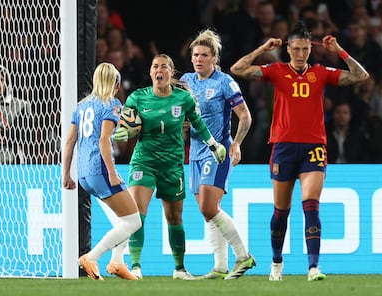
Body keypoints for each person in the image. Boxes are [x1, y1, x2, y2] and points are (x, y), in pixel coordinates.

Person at [230, 21, 369, 281]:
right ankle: (276, 264)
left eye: (306, 49)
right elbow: (237, 69)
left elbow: (361, 76)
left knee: (311, 205)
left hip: (314, 146)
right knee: (281, 210)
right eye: (296, 49)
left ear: (310, 49)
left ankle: (313, 267)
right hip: (283, 146)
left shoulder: (321, 72)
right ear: (288, 48)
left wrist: (339, 50)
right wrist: (262, 48)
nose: (301, 54)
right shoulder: (277, 70)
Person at [114, 53, 227, 280]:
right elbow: (124, 126)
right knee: (137, 214)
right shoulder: (138, 97)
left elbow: (198, 123)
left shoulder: (183, 99)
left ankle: (179, 269)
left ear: (170, 73)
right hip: (144, 161)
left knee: (175, 217)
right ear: (150, 72)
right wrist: (123, 131)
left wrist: (214, 145)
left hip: (173, 164)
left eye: (164, 67)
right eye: (155, 66)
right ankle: (135, 266)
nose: (159, 70)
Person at [179, 28, 255, 280]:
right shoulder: (187, 81)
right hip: (195, 154)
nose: (199, 59)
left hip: (218, 151)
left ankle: (243, 256)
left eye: (204, 55)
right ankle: (220, 266)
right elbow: (179, 114)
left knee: (209, 207)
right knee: (207, 210)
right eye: (196, 54)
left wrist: (237, 145)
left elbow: (245, 116)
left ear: (214, 58)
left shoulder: (224, 83)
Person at [62, 62, 142, 281]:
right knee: (133, 221)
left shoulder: (81, 106)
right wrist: (111, 171)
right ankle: (92, 257)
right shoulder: (112, 104)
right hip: (100, 170)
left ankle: (117, 262)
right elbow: (104, 139)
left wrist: (66, 175)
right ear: (116, 84)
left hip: (84, 174)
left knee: (123, 218)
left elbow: (69, 142)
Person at [0, 64, 31, 164]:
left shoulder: (20, 105)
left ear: (7, 82)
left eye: (1, 79)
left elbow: (27, 136)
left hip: (10, 161)